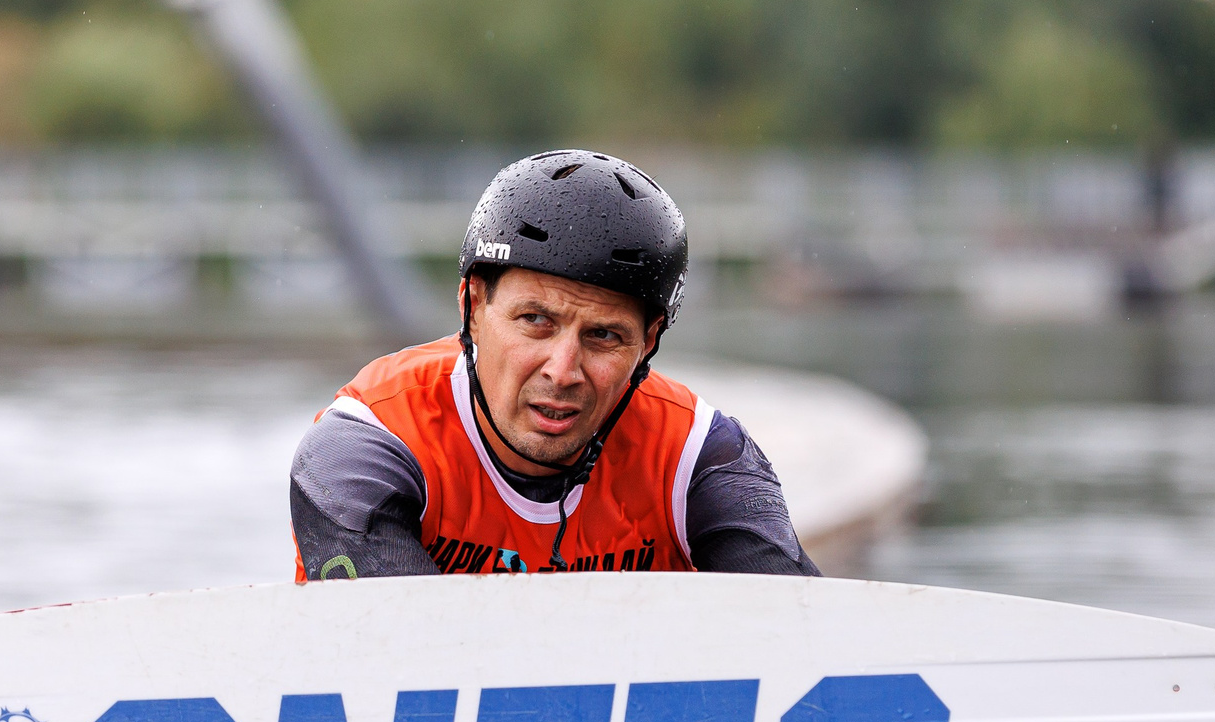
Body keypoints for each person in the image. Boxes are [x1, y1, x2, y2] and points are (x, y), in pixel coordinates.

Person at [291, 149, 820, 581]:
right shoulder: (367, 443)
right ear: (472, 307)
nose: (563, 371)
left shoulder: (698, 453)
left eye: (604, 336)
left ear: (647, 343)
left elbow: (811, 638)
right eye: (536, 321)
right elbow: (398, 653)